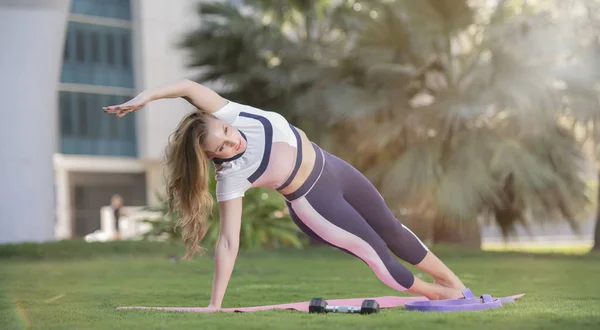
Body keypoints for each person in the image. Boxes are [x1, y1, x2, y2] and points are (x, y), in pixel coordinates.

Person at [103, 79, 468, 309]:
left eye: (227, 132)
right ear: (213, 157)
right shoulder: (232, 175)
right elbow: (229, 242)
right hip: (315, 203)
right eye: (224, 147)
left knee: (392, 229)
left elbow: (185, 87)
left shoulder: (235, 113)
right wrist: (215, 305)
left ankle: (454, 284)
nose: (234, 140)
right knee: (376, 253)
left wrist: (145, 97)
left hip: (335, 168)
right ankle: (432, 293)